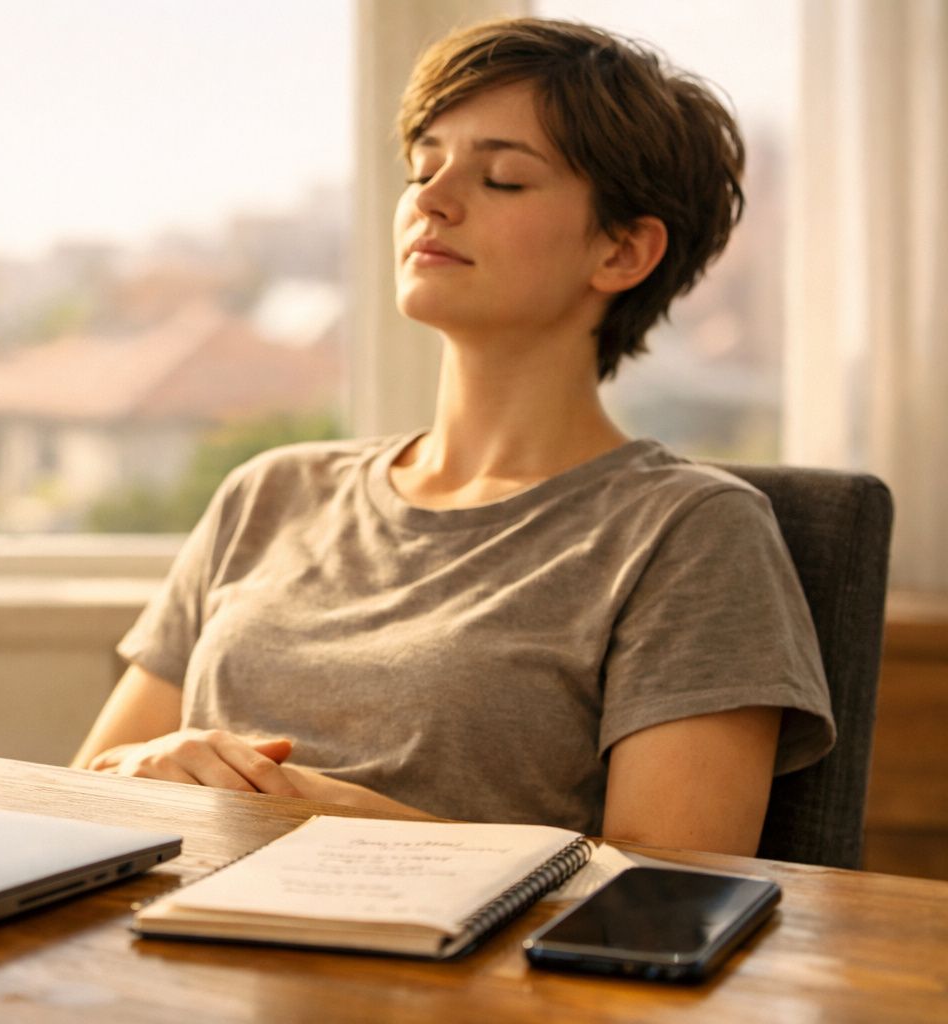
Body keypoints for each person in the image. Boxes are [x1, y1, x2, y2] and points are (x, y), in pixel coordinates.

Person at [70, 17, 833, 857]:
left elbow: (669, 890)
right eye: (422, 167)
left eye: (503, 178)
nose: (432, 199)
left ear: (623, 251)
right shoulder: (270, 492)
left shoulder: (690, 533)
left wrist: (330, 819)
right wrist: (137, 772)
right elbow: (74, 801)